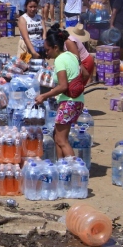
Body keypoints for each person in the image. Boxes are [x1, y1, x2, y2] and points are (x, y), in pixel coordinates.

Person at [34, 27, 87, 158]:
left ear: (56, 47)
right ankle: (61, 169)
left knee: (62, 141)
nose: (47, 54)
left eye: (48, 50)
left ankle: (73, 169)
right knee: (58, 138)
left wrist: (44, 96)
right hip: (77, 101)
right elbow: (85, 74)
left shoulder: (60, 60)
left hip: (68, 103)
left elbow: (63, 86)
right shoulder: (72, 56)